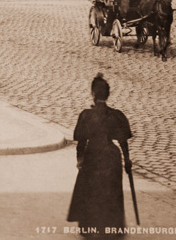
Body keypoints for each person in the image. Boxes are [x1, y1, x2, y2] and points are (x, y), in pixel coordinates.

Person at [67, 73, 133, 236]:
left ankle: (90, 227)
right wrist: (127, 160)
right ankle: (113, 228)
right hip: (112, 157)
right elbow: (123, 141)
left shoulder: (86, 116)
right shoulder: (116, 116)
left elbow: (81, 142)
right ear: (108, 95)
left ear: (93, 94)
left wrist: (80, 160)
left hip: (93, 155)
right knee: (112, 191)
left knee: (90, 191)